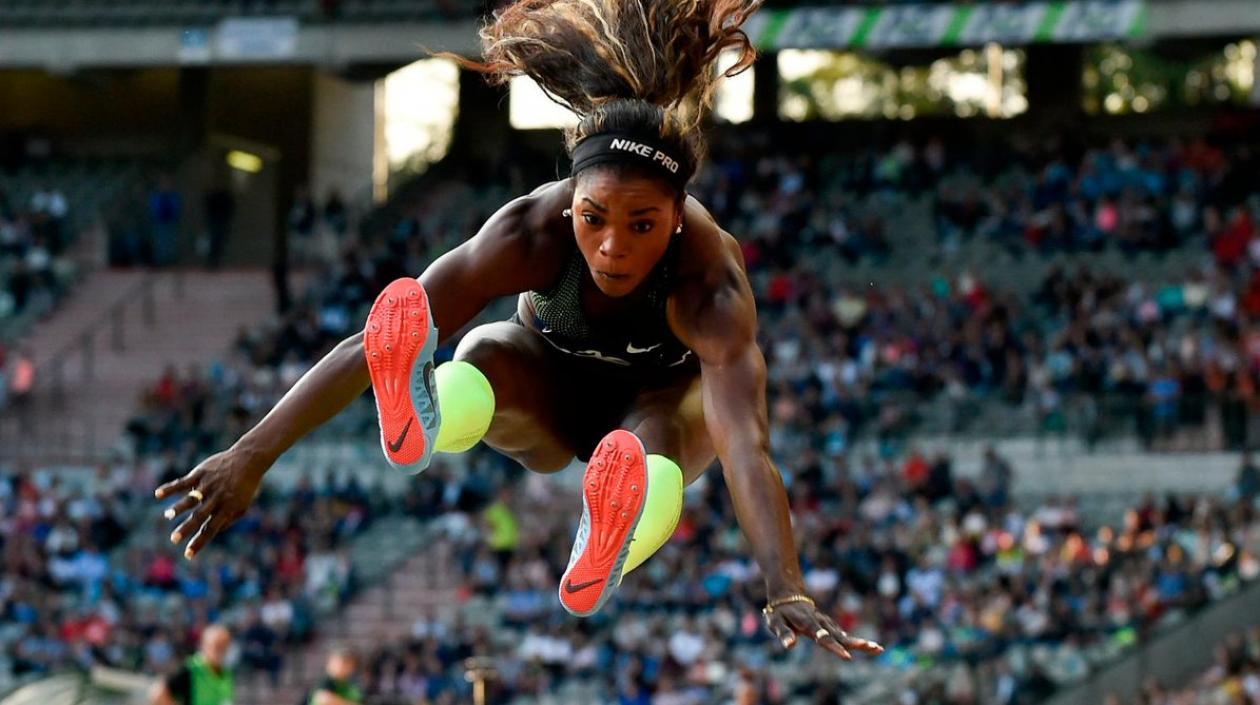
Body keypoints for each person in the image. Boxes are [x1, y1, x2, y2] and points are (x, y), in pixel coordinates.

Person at [156, 0, 882, 661]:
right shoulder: (528, 229)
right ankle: (426, 405)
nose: (613, 247)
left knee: (656, 433)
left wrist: (785, 583)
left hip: (653, 402)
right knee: (488, 349)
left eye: (643, 225)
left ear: (677, 212)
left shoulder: (709, 279)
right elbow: (365, 342)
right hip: (545, 386)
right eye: (595, 219)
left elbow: (745, 445)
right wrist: (250, 454)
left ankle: (610, 536)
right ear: (569, 206)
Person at [148, 624, 234, 705]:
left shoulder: (226, 673)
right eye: (216, 646)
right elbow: (158, 692)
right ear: (204, 645)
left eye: (224, 646)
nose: (221, 651)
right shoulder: (191, 669)